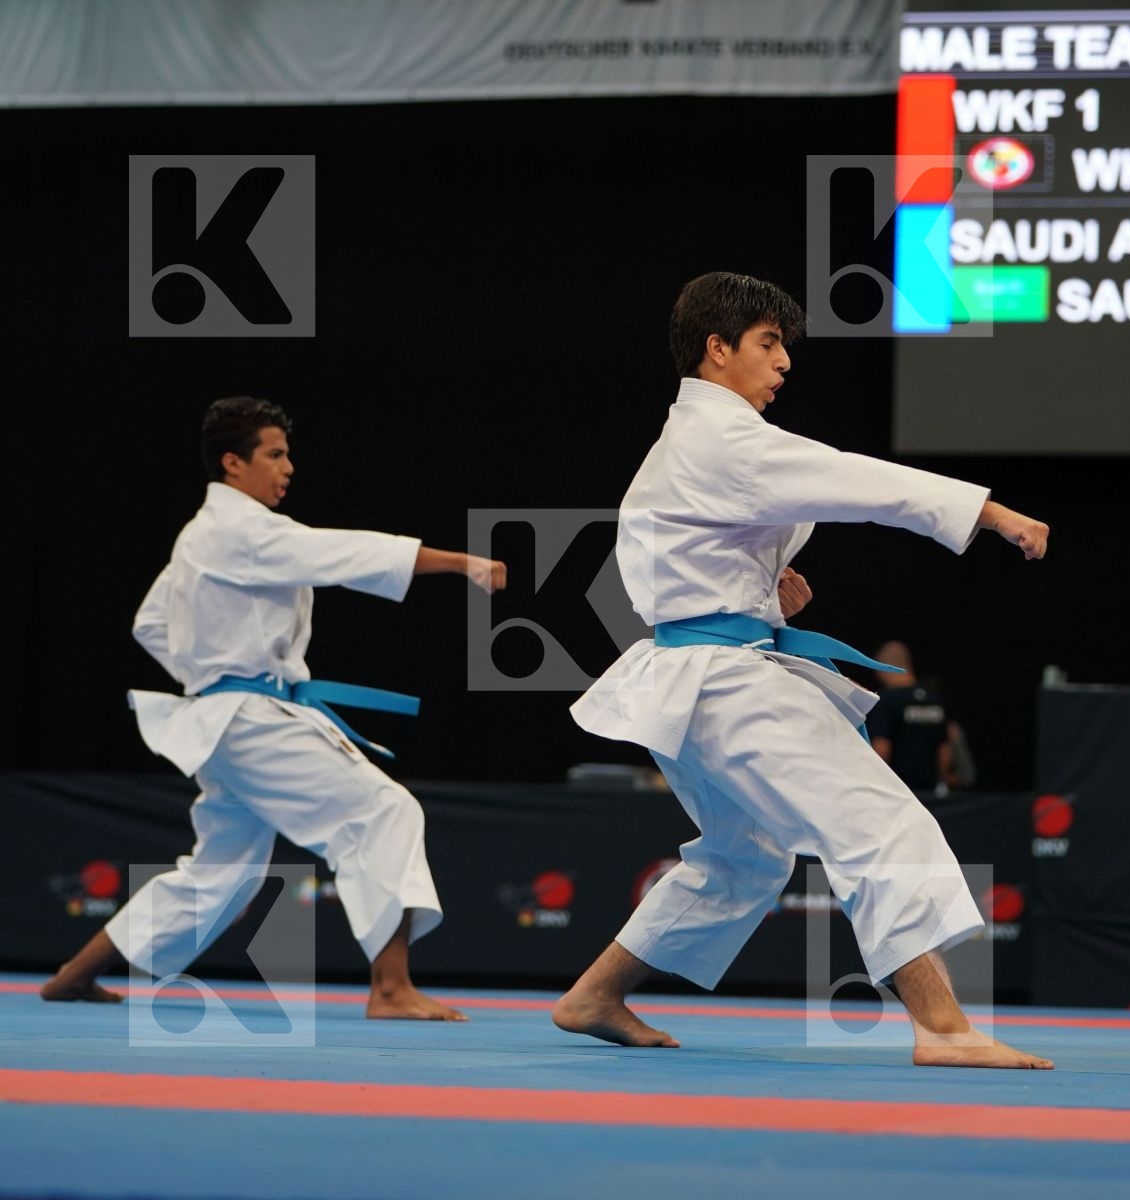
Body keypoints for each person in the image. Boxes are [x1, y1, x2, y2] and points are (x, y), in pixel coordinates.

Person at [556, 272, 1052, 1069]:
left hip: (690, 673)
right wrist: (987, 511)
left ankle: (595, 995)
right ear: (717, 351)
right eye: (768, 343)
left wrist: (757, 591)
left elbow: (659, 544)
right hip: (723, 682)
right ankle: (944, 1026)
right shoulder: (726, 439)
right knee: (878, 821)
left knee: (745, 852)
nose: (784, 362)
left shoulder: (686, 443)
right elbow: (859, 480)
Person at [40, 396, 504, 1021]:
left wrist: (207, 674)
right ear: (233, 463)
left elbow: (152, 623)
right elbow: (344, 555)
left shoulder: (202, 536)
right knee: (382, 810)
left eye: (288, 454)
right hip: (248, 720)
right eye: (274, 454)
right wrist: (462, 562)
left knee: (220, 871)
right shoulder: (241, 530)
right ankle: (391, 987)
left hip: (225, 719)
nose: (288, 468)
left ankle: (71, 977)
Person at [864, 641, 961, 792]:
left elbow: (881, 748)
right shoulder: (935, 699)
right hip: (931, 793)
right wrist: (941, 780)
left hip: (899, 793)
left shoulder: (886, 701)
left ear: (881, 667)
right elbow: (945, 749)